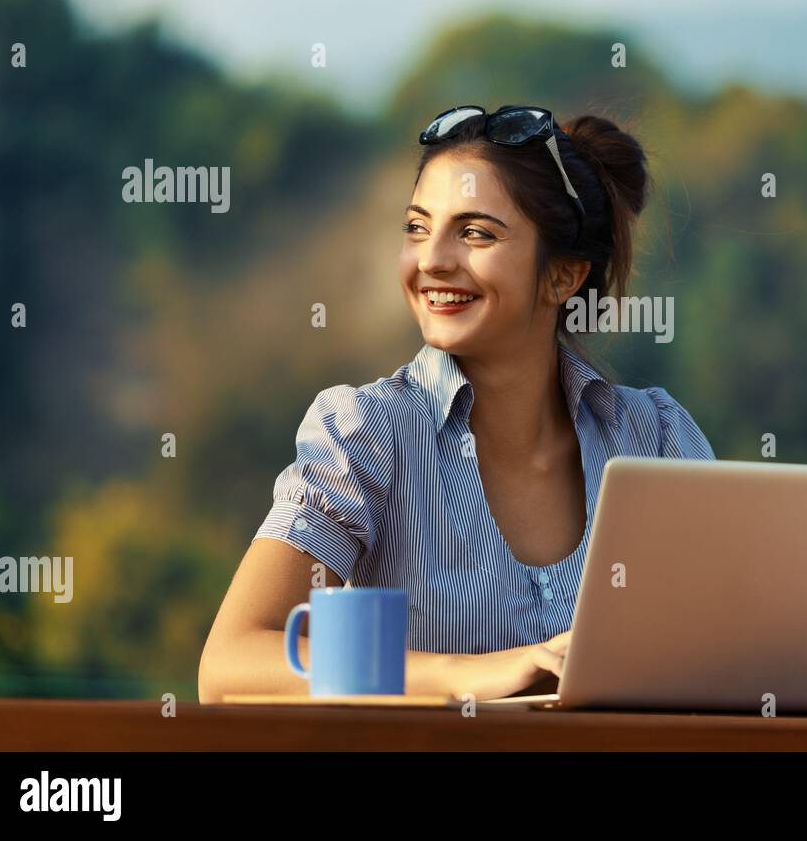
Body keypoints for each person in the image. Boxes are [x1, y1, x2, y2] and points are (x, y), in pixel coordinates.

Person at [198, 105, 714, 704]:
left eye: (475, 233)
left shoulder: (657, 437)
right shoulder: (364, 433)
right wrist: (463, 674)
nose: (431, 260)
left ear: (564, 277)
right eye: (417, 228)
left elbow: (727, 648)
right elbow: (230, 662)